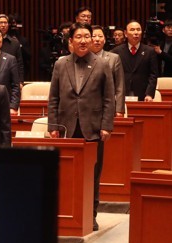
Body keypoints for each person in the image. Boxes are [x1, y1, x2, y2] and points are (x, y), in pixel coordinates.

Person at [48, 22, 115, 231]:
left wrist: (106, 126)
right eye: (79, 37)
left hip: (93, 127)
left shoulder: (102, 63)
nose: (84, 40)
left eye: (88, 36)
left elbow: (108, 99)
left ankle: (90, 215)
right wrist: (53, 124)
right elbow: (54, 98)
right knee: (67, 173)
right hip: (66, 126)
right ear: (71, 41)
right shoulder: (61, 64)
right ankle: (67, 214)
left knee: (92, 175)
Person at [111, 20, 158, 101]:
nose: (136, 32)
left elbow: (153, 75)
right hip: (121, 93)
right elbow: (112, 75)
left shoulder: (150, 51)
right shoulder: (116, 51)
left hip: (143, 94)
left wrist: (149, 94)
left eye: (138, 29)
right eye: (132, 30)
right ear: (125, 33)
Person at [91, 25, 126, 116]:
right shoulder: (82, 58)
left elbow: (120, 86)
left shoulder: (114, 58)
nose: (97, 39)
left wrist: (119, 109)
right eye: (93, 36)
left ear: (105, 40)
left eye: (100, 36)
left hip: (107, 106)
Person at [0, 14, 24, 85]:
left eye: (5, 23)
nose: (3, 25)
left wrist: (20, 81)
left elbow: (19, 63)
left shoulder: (14, 42)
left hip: (10, 79)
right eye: (1, 23)